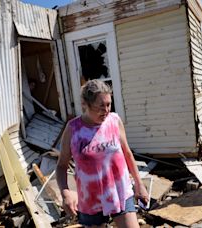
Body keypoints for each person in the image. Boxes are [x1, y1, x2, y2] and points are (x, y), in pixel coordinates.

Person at [56, 79, 149, 227]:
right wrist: (65, 192)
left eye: (108, 104)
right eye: (100, 106)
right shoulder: (73, 129)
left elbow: (127, 153)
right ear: (85, 105)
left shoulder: (114, 120)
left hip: (120, 193)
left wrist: (139, 184)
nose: (106, 111)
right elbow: (61, 166)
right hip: (90, 200)